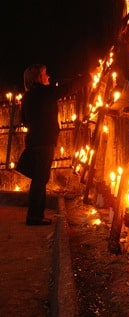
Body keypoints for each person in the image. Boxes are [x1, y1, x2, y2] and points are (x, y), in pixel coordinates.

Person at [17, 64, 73, 225]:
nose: (48, 77)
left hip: (34, 141)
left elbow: (24, 121)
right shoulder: (44, 92)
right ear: (38, 78)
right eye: (45, 74)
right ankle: (34, 216)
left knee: (39, 179)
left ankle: (36, 215)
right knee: (40, 180)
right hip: (44, 142)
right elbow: (68, 88)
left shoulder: (27, 97)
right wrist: (89, 77)